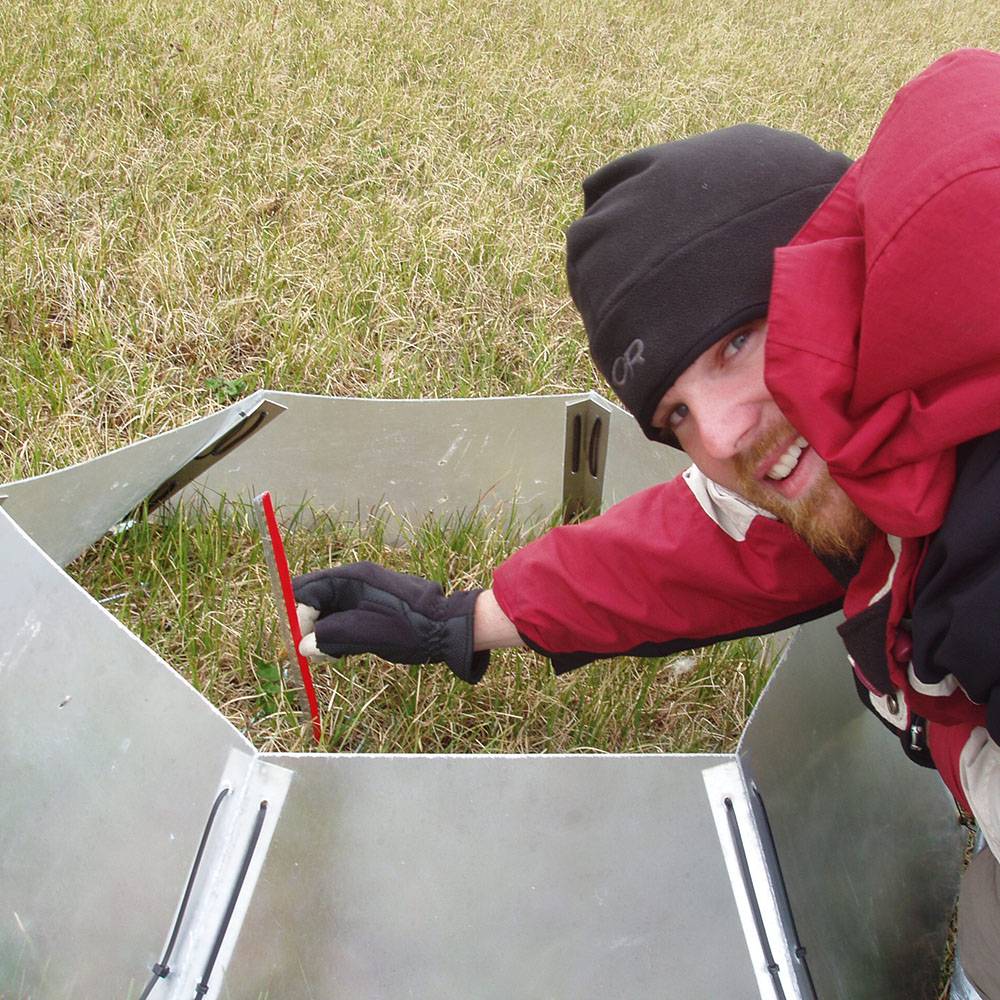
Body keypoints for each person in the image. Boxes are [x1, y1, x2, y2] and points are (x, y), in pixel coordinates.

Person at [293, 49, 1000, 998]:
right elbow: (712, 547)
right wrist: (466, 618)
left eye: (735, 344)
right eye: (673, 416)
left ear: (846, 275)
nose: (720, 435)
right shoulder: (886, 441)